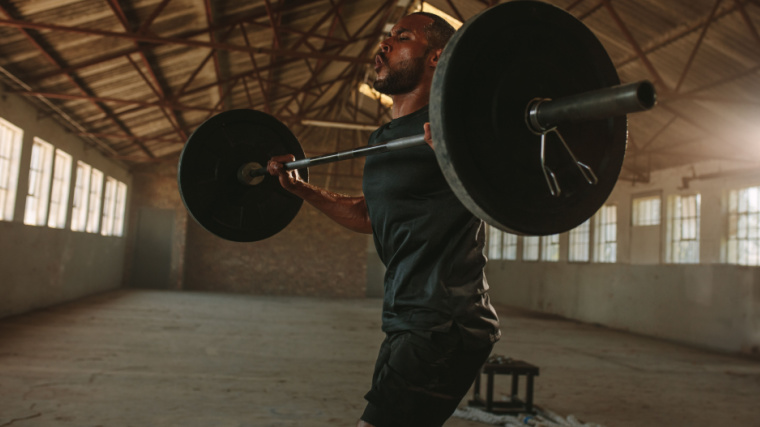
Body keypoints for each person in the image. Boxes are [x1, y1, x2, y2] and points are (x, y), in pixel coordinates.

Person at [267, 12, 500, 427]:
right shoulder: (385, 138)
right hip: (406, 317)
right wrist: (303, 189)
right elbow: (370, 216)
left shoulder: (461, 130)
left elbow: (501, 191)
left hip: (444, 320)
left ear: (436, 57)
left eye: (402, 37)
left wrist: (460, 153)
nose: (385, 45)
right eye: (387, 37)